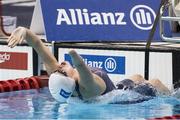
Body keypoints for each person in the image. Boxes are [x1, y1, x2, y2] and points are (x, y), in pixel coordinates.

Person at [7, 27, 170, 101]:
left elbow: (38, 45)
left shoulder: (62, 78)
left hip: (118, 90)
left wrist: (25, 32)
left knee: (137, 76)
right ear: (68, 79)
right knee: (154, 83)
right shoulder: (87, 88)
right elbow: (83, 68)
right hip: (124, 101)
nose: (60, 64)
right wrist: (73, 55)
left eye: (58, 69)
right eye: (62, 69)